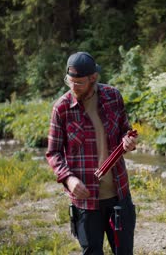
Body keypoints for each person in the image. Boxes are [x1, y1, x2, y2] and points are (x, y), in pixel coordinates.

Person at [46, 51, 137, 254]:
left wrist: (128, 142)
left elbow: (124, 130)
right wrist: (68, 179)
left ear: (93, 78)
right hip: (85, 201)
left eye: (79, 83)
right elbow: (53, 153)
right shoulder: (61, 108)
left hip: (118, 196)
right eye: (69, 81)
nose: (73, 87)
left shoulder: (113, 97)